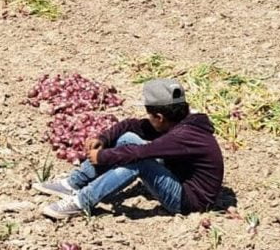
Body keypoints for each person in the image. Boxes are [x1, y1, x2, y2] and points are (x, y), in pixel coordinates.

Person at [37, 78, 224, 219]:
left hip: (189, 201)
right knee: (127, 138)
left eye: (150, 115)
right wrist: (103, 139)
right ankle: (73, 184)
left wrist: (102, 157)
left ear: (160, 117)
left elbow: (139, 153)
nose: (148, 118)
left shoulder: (184, 136)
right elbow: (131, 125)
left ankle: (81, 201)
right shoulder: (178, 121)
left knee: (139, 162)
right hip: (178, 176)